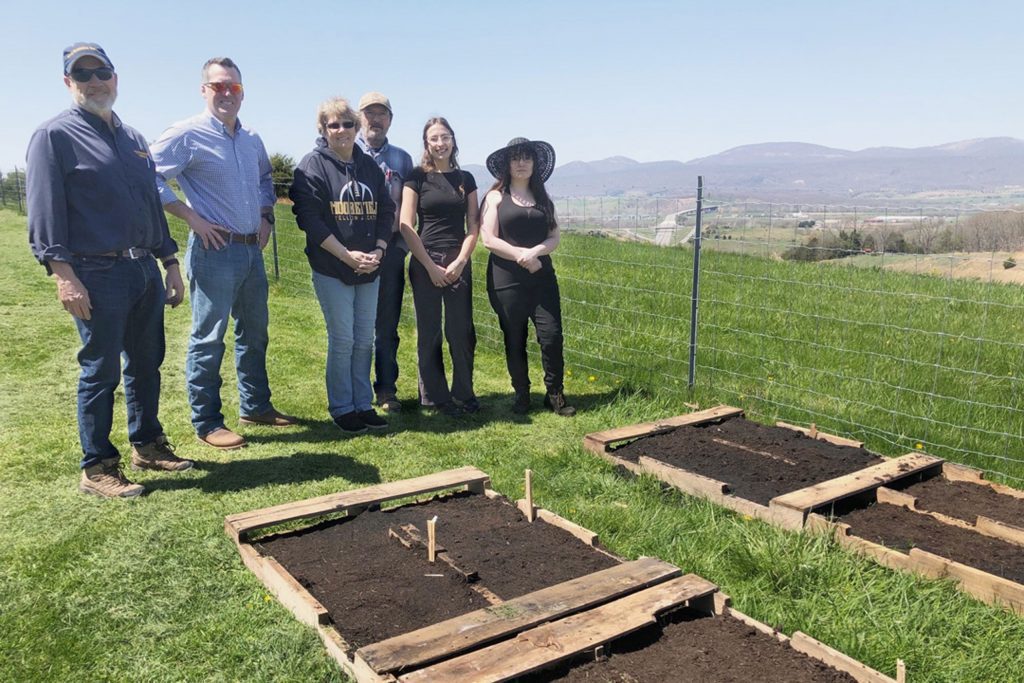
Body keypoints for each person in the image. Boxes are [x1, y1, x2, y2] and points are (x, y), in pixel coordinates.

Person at [26, 42, 193, 498]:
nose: (95, 82)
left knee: (146, 364)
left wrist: (171, 262)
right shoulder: (53, 136)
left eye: (102, 72)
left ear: (115, 78)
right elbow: (44, 212)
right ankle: (97, 465)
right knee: (101, 370)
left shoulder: (135, 140)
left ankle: (148, 444)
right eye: (83, 75)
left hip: (143, 272)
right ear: (68, 83)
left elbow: (150, 206)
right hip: (94, 274)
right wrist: (64, 274)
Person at [151, 57, 296, 450]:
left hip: (252, 252)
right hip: (215, 251)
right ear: (204, 90)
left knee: (255, 334)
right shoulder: (186, 134)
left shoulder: (251, 139)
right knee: (208, 337)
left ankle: (256, 406)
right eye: (218, 86)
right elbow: (147, 176)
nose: (226, 92)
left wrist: (267, 215)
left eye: (233, 86)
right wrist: (190, 218)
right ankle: (208, 420)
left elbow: (266, 178)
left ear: (242, 91)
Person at [289, 98, 395, 434]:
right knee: (343, 339)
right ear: (323, 130)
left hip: (370, 267)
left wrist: (378, 250)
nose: (341, 131)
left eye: (347, 124)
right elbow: (311, 220)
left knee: (365, 339)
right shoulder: (312, 166)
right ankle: (342, 407)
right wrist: (346, 256)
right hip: (332, 268)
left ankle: (363, 404)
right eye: (333, 125)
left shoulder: (369, 168)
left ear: (357, 127)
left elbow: (386, 211)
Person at [480, 137, 575, 416]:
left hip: (541, 277)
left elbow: (554, 237)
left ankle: (555, 393)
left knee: (552, 335)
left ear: (535, 164)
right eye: (515, 158)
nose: (521, 163)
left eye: (527, 158)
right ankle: (522, 393)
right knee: (514, 336)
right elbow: (488, 238)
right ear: (507, 165)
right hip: (506, 279)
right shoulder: (496, 197)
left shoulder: (544, 200)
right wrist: (522, 256)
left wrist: (535, 253)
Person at [400, 117, 480, 416]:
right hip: (425, 260)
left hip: (458, 259)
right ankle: (434, 396)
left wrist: (461, 260)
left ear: (453, 140)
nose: (440, 143)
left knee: (461, 330)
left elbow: (473, 224)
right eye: (434, 138)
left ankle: (464, 393)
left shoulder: (466, 179)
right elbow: (406, 224)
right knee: (429, 330)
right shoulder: (416, 177)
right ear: (426, 144)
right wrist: (430, 266)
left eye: (445, 137)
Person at [356, 92, 414, 413]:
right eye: (369, 114)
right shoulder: (347, 153)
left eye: (382, 114)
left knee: (387, 324)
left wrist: (400, 249)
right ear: (359, 117)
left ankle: (387, 389)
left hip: (390, 251)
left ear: (390, 120)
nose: (375, 120)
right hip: (352, 252)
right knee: (355, 324)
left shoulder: (402, 160)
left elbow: (409, 208)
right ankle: (356, 389)